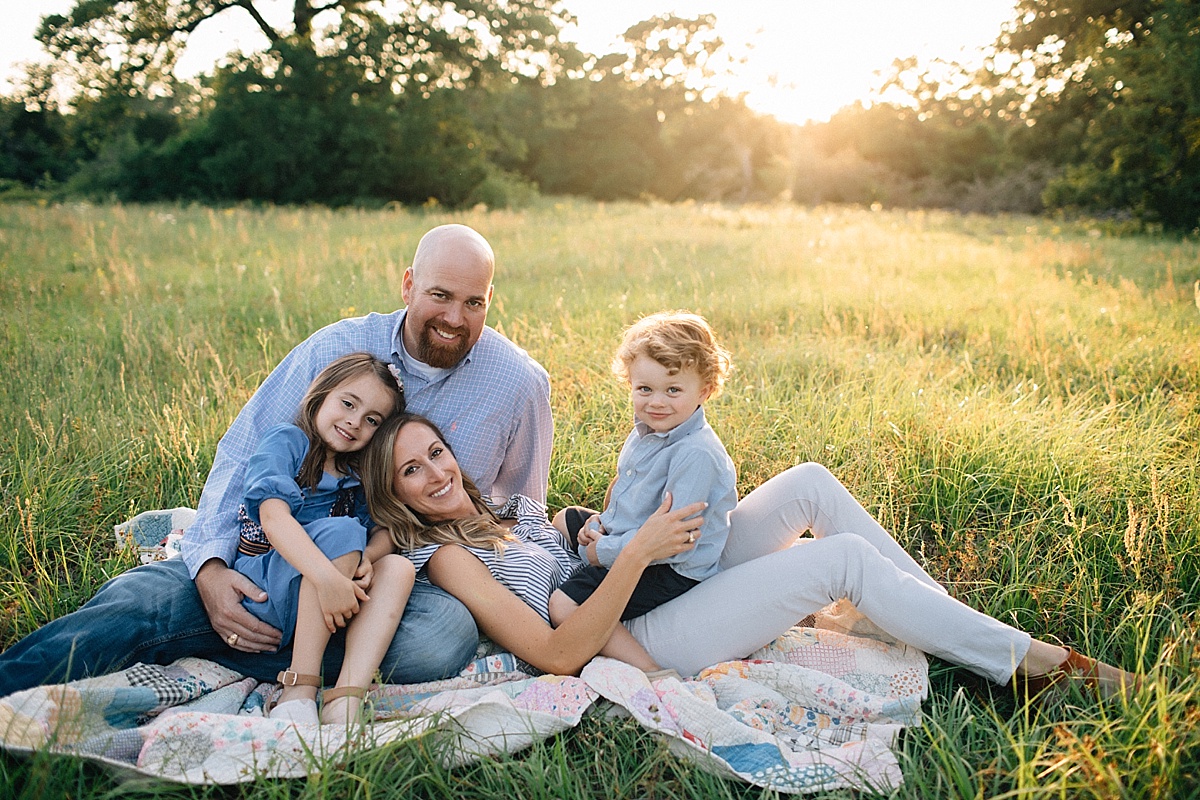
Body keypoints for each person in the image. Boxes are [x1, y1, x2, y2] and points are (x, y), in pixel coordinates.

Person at [0, 224, 553, 696]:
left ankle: (238, 654)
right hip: (272, 563)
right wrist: (212, 570)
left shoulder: (517, 383)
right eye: (440, 295)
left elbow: (519, 503)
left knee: (442, 637)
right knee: (143, 601)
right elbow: (244, 453)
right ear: (408, 285)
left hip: (394, 581)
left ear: (489, 298)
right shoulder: (333, 351)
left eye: (473, 302)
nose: (455, 318)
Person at [368, 413, 1140, 698]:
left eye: (435, 452)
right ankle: (1036, 664)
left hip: (650, 583)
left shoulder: (509, 506)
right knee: (837, 562)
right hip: (640, 634)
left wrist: (606, 528)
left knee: (807, 484)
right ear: (397, 494)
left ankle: (943, 615)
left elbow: (579, 538)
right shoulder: (445, 558)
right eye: (413, 471)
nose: (436, 472)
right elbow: (556, 649)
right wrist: (633, 557)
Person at [548, 312, 736, 673]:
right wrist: (601, 525)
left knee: (564, 604)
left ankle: (650, 670)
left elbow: (674, 543)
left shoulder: (695, 454)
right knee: (567, 518)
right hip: (636, 538)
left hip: (672, 568)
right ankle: (588, 558)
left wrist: (601, 551)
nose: (656, 402)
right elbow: (632, 501)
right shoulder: (647, 431)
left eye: (673, 390)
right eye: (644, 389)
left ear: (705, 390)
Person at [232, 352, 412, 725]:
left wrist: (365, 557)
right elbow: (273, 518)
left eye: (371, 420)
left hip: (324, 600)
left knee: (397, 566)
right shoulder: (288, 441)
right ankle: (299, 687)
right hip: (263, 585)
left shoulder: (355, 476)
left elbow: (387, 532)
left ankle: (345, 699)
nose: (353, 422)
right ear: (322, 393)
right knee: (345, 530)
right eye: (347, 403)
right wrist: (328, 579)